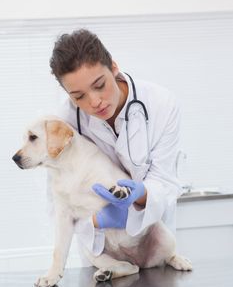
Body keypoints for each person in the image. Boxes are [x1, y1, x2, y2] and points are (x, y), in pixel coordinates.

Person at [49, 28, 183, 256]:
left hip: (153, 242)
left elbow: (165, 181)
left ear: (113, 67)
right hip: (103, 249)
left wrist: (140, 195)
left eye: (99, 85)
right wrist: (96, 220)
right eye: (79, 96)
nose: (94, 102)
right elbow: (58, 202)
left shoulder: (161, 104)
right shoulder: (65, 123)